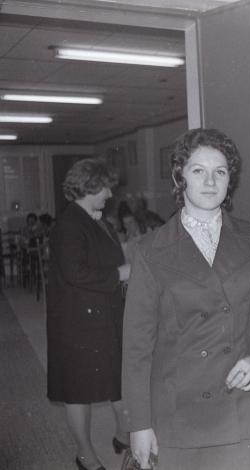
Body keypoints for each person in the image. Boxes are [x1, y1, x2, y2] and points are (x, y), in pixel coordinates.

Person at [121, 128, 250, 470]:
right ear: (179, 177)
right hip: (177, 413)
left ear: (231, 180)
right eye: (198, 170)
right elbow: (136, 346)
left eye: (221, 171)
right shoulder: (150, 250)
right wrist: (139, 424)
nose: (210, 181)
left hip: (238, 407)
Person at [46, 158, 131, 470]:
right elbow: (74, 272)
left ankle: (124, 432)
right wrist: (121, 273)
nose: (110, 193)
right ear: (91, 186)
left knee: (118, 376)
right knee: (77, 390)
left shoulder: (95, 218)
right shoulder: (69, 224)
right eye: (106, 187)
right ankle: (85, 455)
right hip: (77, 322)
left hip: (104, 314)